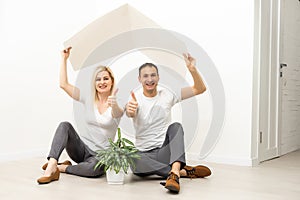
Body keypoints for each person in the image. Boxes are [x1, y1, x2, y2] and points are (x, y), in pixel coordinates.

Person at [126, 53, 211, 193]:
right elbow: (130, 112)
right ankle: (179, 172)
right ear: (139, 79)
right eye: (145, 76)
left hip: (163, 153)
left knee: (176, 127)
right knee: (131, 156)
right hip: (143, 157)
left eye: (153, 75)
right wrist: (130, 110)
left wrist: (192, 70)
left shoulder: (168, 95)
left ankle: (174, 173)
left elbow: (199, 89)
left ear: (158, 78)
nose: (150, 79)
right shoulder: (134, 100)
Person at [37, 47, 124, 184]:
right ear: (94, 84)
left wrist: (113, 104)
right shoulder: (88, 98)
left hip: (101, 157)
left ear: (112, 81)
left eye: (106, 79)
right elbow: (63, 85)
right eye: (98, 80)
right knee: (64, 125)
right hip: (82, 149)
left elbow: (118, 113)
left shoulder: (117, 103)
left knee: (94, 170)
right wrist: (64, 59)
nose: (102, 82)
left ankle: (63, 167)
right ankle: (52, 164)